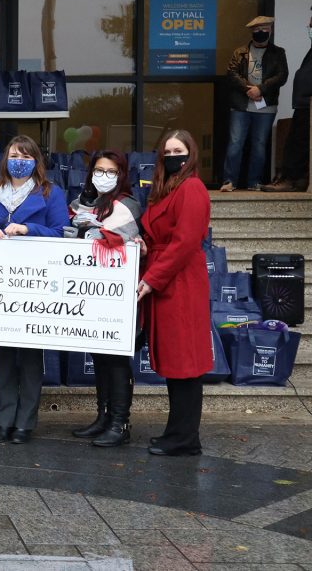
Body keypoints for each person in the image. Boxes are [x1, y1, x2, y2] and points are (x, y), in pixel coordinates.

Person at [0, 135, 68, 445]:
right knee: (3, 359)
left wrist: (28, 229)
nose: (19, 160)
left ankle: (25, 423)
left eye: (26, 155)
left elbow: (62, 234)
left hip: (35, 287)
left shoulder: (51, 194)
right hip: (0, 287)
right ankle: (4, 421)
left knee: (28, 359)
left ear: (35, 160)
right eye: (14, 154)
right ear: (5, 159)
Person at [137, 130, 212, 457]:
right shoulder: (165, 190)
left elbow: (184, 244)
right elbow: (158, 235)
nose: (172, 156)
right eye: (167, 151)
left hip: (179, 283)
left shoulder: (192, 188)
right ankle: (178, 432)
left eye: (178, 150)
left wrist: (152, 278)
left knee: (185, 362)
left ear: (190, 153)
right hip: (167, 280)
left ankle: (184, 437)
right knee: (174, 361)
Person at [67, 150, 143, 448]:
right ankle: (103, 416)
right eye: (99, 170)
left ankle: (119, 423)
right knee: (100, 357)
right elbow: (73, 235)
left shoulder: (128, 206)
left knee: (116, 360)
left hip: (120, 298)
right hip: (95, 294)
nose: (104, 176)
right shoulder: (86, 205)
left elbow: (120, 238)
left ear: (121, 175)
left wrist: (93, 232)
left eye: (111, 171)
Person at [222, 15, 289, 191]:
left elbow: (282, 76)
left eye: (264, 29)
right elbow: (231, 73)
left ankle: (254, 182)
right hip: (241, 105)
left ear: (270, 31)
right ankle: (229, 181)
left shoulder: (278, 53)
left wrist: (261, 89)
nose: (261, 33)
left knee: (259, 145)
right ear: (252, 32)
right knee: (235, 142)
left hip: (266, 106)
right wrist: (248, 90)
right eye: (257, 30)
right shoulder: (240, 52)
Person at [264, 7, 312, 192]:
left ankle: (291, 180)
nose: (308, 24)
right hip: (303, 105)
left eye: (311, 20)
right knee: (295, 143)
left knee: (298, 145)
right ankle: (295, 178)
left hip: (308, 106)